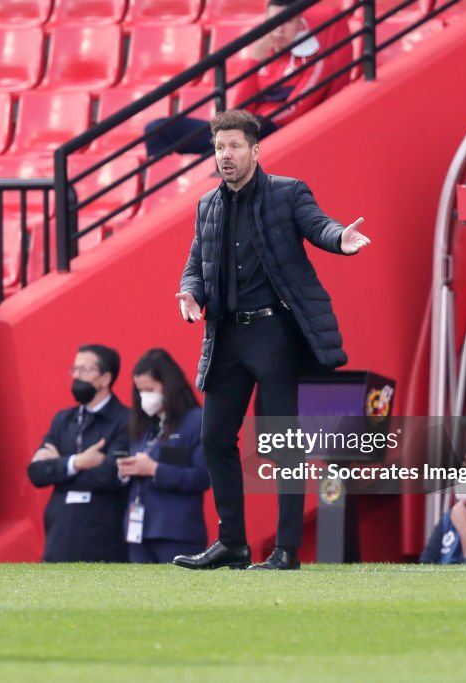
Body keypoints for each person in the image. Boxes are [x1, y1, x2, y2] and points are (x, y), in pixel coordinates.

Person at [173, 109, 370, 570]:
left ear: (255, 150)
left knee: (283, 442)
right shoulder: (208, 205)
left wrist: (341, 237)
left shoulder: (288, 192)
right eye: (219, 148)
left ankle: (286, 550)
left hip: (275, 334)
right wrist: (190, 293)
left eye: (234, 146)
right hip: (227, 336)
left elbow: (318, 226)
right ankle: (233, 543)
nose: (226, 155)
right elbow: (195, 263)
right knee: (215, 436)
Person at [144, 0, 350, 158]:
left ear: (300, 24)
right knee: (157, 129)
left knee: (251, 127)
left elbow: (292, 112)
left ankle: (222, 149)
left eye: (286, 22)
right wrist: (253, 62)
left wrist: (242, 127)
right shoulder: (261, 59)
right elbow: (240, 107)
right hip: (242, 133)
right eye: (273, 23)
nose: (278, 29)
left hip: (274, 134)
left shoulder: (317, 63)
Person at [27, 344, 131, 563]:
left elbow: (112, 473)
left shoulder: (125, 420)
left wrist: (60, 467)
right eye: (75, 370)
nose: (77, 376)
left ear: (105, 378)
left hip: (103, 532)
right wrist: (78, 462)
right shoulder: (63, 420)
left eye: (85, 370)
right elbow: (37, 472)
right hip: (60, 529)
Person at [117, 349, 210, 564]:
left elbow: (202, 476)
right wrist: (124, 470)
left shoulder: (196, 421)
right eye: (140, 391)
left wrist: (155, 469)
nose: (144, 397)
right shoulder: (142, 424)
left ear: (168, 385)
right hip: (138, 530)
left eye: (150, 389)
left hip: (176, 531)